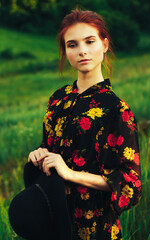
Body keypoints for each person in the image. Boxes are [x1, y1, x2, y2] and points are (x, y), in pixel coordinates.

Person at [27, 8, 141, 240]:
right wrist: (39, 155)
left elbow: (130, 184)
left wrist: (70, 173)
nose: (82, 51)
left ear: (105, 45)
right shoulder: (58, 98)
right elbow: (50, 151)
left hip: (95, 225)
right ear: (65, 51)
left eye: (90, 41)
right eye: (72, 45)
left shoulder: (117, 109)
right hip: (54, 218)